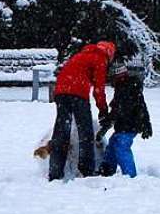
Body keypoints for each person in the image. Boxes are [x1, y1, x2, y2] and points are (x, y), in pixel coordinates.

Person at [48, 40, 117, 181]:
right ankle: (86, 170)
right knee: (85, 132)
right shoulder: (101, 58)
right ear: (109, 53)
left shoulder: (81, 54)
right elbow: (99, 89)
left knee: (62, 131)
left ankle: (55, 172)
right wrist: (103, 110)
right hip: (78, 93)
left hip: (60, 91)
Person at [96, 62, 152, 178]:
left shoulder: (127, 88)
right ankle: (107, 169)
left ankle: (130, 175)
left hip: (130, 125)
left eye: (111, 77)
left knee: (121, 147)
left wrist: (146, 124)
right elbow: (119, 109)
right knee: (113, 144)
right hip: (123, 125)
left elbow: (122, 110)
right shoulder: (122, 88)